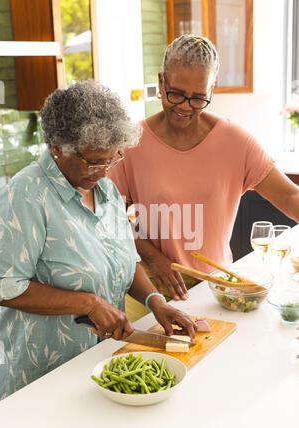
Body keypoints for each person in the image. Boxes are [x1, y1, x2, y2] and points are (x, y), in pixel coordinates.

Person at [0, 80, 197, 400]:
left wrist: (155, 302)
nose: (104, 171)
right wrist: (88, 303)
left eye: (113, 158)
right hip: (42, 377)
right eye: (94, 161)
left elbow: (124, 260)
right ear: (57, 147)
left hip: (99, 365)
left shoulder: (104, 191)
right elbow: (5, 285)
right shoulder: (24, 196)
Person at [110, 34, 299, 302]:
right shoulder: (132, 142)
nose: (185, 108)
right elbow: (108, 217)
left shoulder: (236, 142)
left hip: (216, 291)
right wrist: (152, 258)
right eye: (176, 94)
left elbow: (290, 196)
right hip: (150, 292)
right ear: (162, 82)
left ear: (212, 89)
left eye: (198, 98)